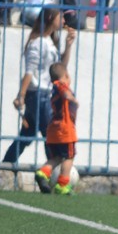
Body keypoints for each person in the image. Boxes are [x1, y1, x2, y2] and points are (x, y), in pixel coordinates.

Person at [3, 8, 76, 175]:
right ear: (50, 18)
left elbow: (60, 69)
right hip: (39, 95)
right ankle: (49, 173)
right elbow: (30, 71)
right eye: (60, 17)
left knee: (26, 136)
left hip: (44, 95)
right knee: (51, 137)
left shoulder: (49, 42)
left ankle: (5, 167)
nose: (64, 21)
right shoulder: (38, 43)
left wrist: (68, 46)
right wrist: (21, 95)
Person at [33, 62, 79, 195]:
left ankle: (43, 173)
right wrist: (72, 99)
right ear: (66, 76)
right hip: (64, 130)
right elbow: (65, 92)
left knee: (57, 157)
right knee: (69, 156)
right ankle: (62, 185)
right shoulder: (60, 85)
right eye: (68, 76)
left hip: (53, 130)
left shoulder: (54, 88)